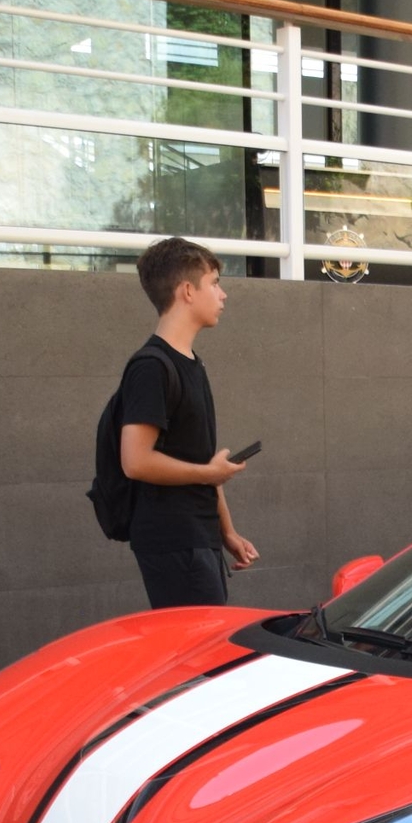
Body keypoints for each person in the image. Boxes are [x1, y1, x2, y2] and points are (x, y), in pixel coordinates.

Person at [117, 237, 260, 608]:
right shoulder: (151, 367)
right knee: (197, 658)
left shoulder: (191, 363)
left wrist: (226, 531)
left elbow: (202, 460)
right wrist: (208, 474)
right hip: (174, 540)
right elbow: (135, 461)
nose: (223, 294)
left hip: (198, 536)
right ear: (187, 291)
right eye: (214, 283)